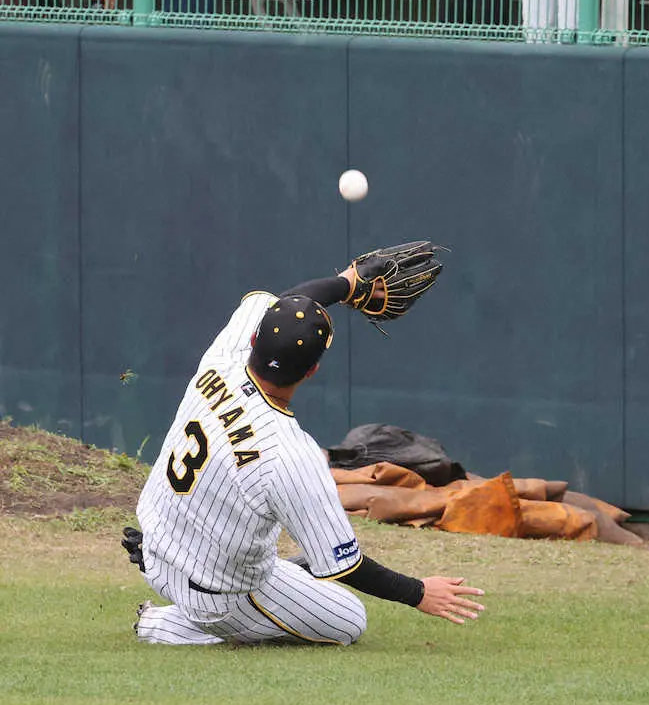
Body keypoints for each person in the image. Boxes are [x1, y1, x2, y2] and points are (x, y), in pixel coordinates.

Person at [122, 259, 485, 645]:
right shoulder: (288, 453)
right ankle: (163, 626)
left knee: (306, 557)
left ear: (253, 339)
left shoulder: (221, 360)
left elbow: (293, 301)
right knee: (349, 618)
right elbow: (347, 566)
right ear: (312, 371)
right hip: (217, 596)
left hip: (156, 546)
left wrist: (346, 282)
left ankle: (196, 593)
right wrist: (419, 592)